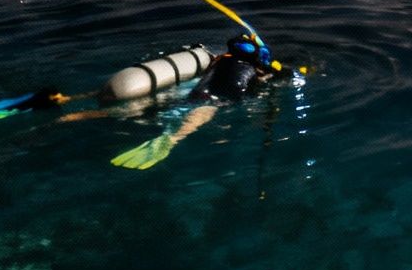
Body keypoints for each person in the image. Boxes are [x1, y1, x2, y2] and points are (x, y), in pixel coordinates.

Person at [110, 34, 291, 169]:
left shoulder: (220, 61)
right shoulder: (256, 72)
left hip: (194, 94)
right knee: (202, 112)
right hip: (214, 99)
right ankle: (172, 139)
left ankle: (90, 114)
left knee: (158, 110)